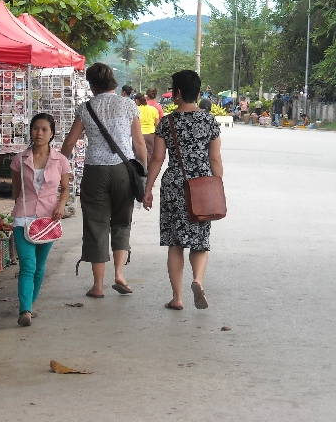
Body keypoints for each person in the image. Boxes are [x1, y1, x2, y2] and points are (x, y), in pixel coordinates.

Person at [61, 63, 147, 298]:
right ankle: (119, 274)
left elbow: (70, 142)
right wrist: (144, 174)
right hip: (123, 170)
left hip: (95, 171)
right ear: (113, 82)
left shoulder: (86, 107)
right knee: (121, 221)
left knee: (96, 225)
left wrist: (57, 165)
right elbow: (139, 144)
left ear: (91, 85)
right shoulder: (129, 104)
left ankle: (98, 286)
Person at [142, 70, 223, 311]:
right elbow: (215, 158)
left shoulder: (167, 122)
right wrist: (217, 184)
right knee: (199, 239)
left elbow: (157, 159)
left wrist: (148, 189)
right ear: (197, 93)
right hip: (203, 186)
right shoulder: (209, 121)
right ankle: (197, 279)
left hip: (175, 184)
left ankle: (177, 298)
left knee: (175, 243)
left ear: (177, 93)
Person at [10, 113, 71, 327]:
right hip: (22, 218)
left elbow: (65, 190)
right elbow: (16, 191)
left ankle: (30, 302)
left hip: (48, 220)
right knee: (28, 264)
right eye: (36, 128)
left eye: (45, 129)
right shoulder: (19, 159)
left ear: (52, 133)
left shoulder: (60, 160)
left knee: (40, 266)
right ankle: (25, 310)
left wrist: (61, 205)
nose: (39, 133)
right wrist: (19, 209)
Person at [136, 93, 160, 164]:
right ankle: (149, 170)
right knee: (150, 153)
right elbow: (157, 124)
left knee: (138, 154)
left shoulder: (136, 109)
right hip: (150, 134)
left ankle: (141, 170)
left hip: (139, 135)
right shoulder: (153, 109)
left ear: (137, 100)